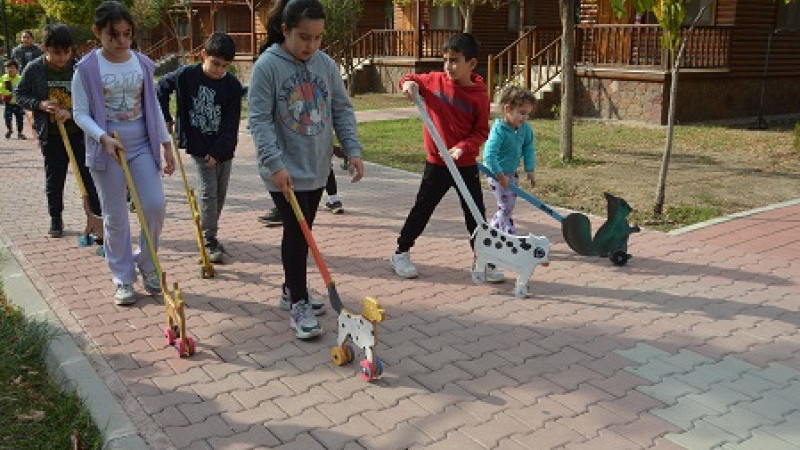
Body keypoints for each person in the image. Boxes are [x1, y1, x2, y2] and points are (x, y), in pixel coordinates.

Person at [248, 0, 365, 339]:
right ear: (284, 30)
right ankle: (298, 301)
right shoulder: (267, 66)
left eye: (317, 38)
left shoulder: (325, 65)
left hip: (315, 166)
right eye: (303, 37)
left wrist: (352, 151)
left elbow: (341, 109)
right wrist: (275, 163)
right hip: (282, 169)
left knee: (304, 230)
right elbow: (258, 120)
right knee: (298, 235)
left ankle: (290, 288)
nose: (311, 46)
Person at [72, 1, 176, 306]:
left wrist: (167, 144)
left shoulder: (142, 64)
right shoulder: (87, 69)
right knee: (116, 217)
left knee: (154, 205)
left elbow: (154, 107)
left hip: (142, 144)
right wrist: (103, 137)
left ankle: (147, 263)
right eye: (113, 35)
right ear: (98, 33)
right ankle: (122, 278)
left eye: (127, 34)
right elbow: (80, 113)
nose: (121, 42)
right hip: (108, 148)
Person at [389, 32, 503, 283]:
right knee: (423, 208)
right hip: (438, 164)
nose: (448, 66)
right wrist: (408, 84)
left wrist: (462, 147)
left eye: (454, 61)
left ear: (471, 64)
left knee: (475, 214)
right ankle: (401, 252)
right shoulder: (435, 81)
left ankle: (483, 258)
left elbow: (481, 131)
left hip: (463, 164)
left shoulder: (478, 96)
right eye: (446, 60)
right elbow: (410, 78)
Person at [157, 32, 243, 264]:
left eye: (225, 66)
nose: (219, 70)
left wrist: (218, 152)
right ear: (203, 55)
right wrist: (165, 116)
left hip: (223, 148)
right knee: (208, 193)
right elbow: (161, 87)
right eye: (215, 63)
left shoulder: (233, 86)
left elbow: (231, 124)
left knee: (220, 194)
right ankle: (208, 239)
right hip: (199, 144)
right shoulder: (186, 75)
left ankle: (211, 232)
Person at [16, 23, 102, 239]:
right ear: (45, 48)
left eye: (66, 52)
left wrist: (72, 112)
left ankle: (96, 218)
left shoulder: (78, 68)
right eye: (56, 52)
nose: (62, 57)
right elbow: (20, 94)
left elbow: (93, 99)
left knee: (88, 176)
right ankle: (56, 217)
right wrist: (41, 104)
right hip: (51, 136)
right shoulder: (35, 69)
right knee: (55, 179)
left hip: (78, 133)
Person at [482, 85, 536, 235]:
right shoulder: (499, 130)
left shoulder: (525, 129)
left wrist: (530, 170)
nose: (525, 118)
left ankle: (493, 233)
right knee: (505, 207)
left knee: (509, 206)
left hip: (511, 172)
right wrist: (499, 176)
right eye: (522, 113)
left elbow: (529, 148)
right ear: (507, 109)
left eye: (528, 114)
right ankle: (506, 235)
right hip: (495, 172)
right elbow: (489, 155)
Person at [0, 60, 25, 139]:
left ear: (17, 70)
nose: (10, 70)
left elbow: (24, 89)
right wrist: (10, 93)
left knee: (20, 119)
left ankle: (20, 133)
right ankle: (9, 129)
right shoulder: (3, 78)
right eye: (8, 68)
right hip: (8, 103)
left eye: (13, 68)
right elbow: (1, 89)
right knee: (7, 118)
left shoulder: (20, 78)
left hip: (18, 103)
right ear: (5, 69)